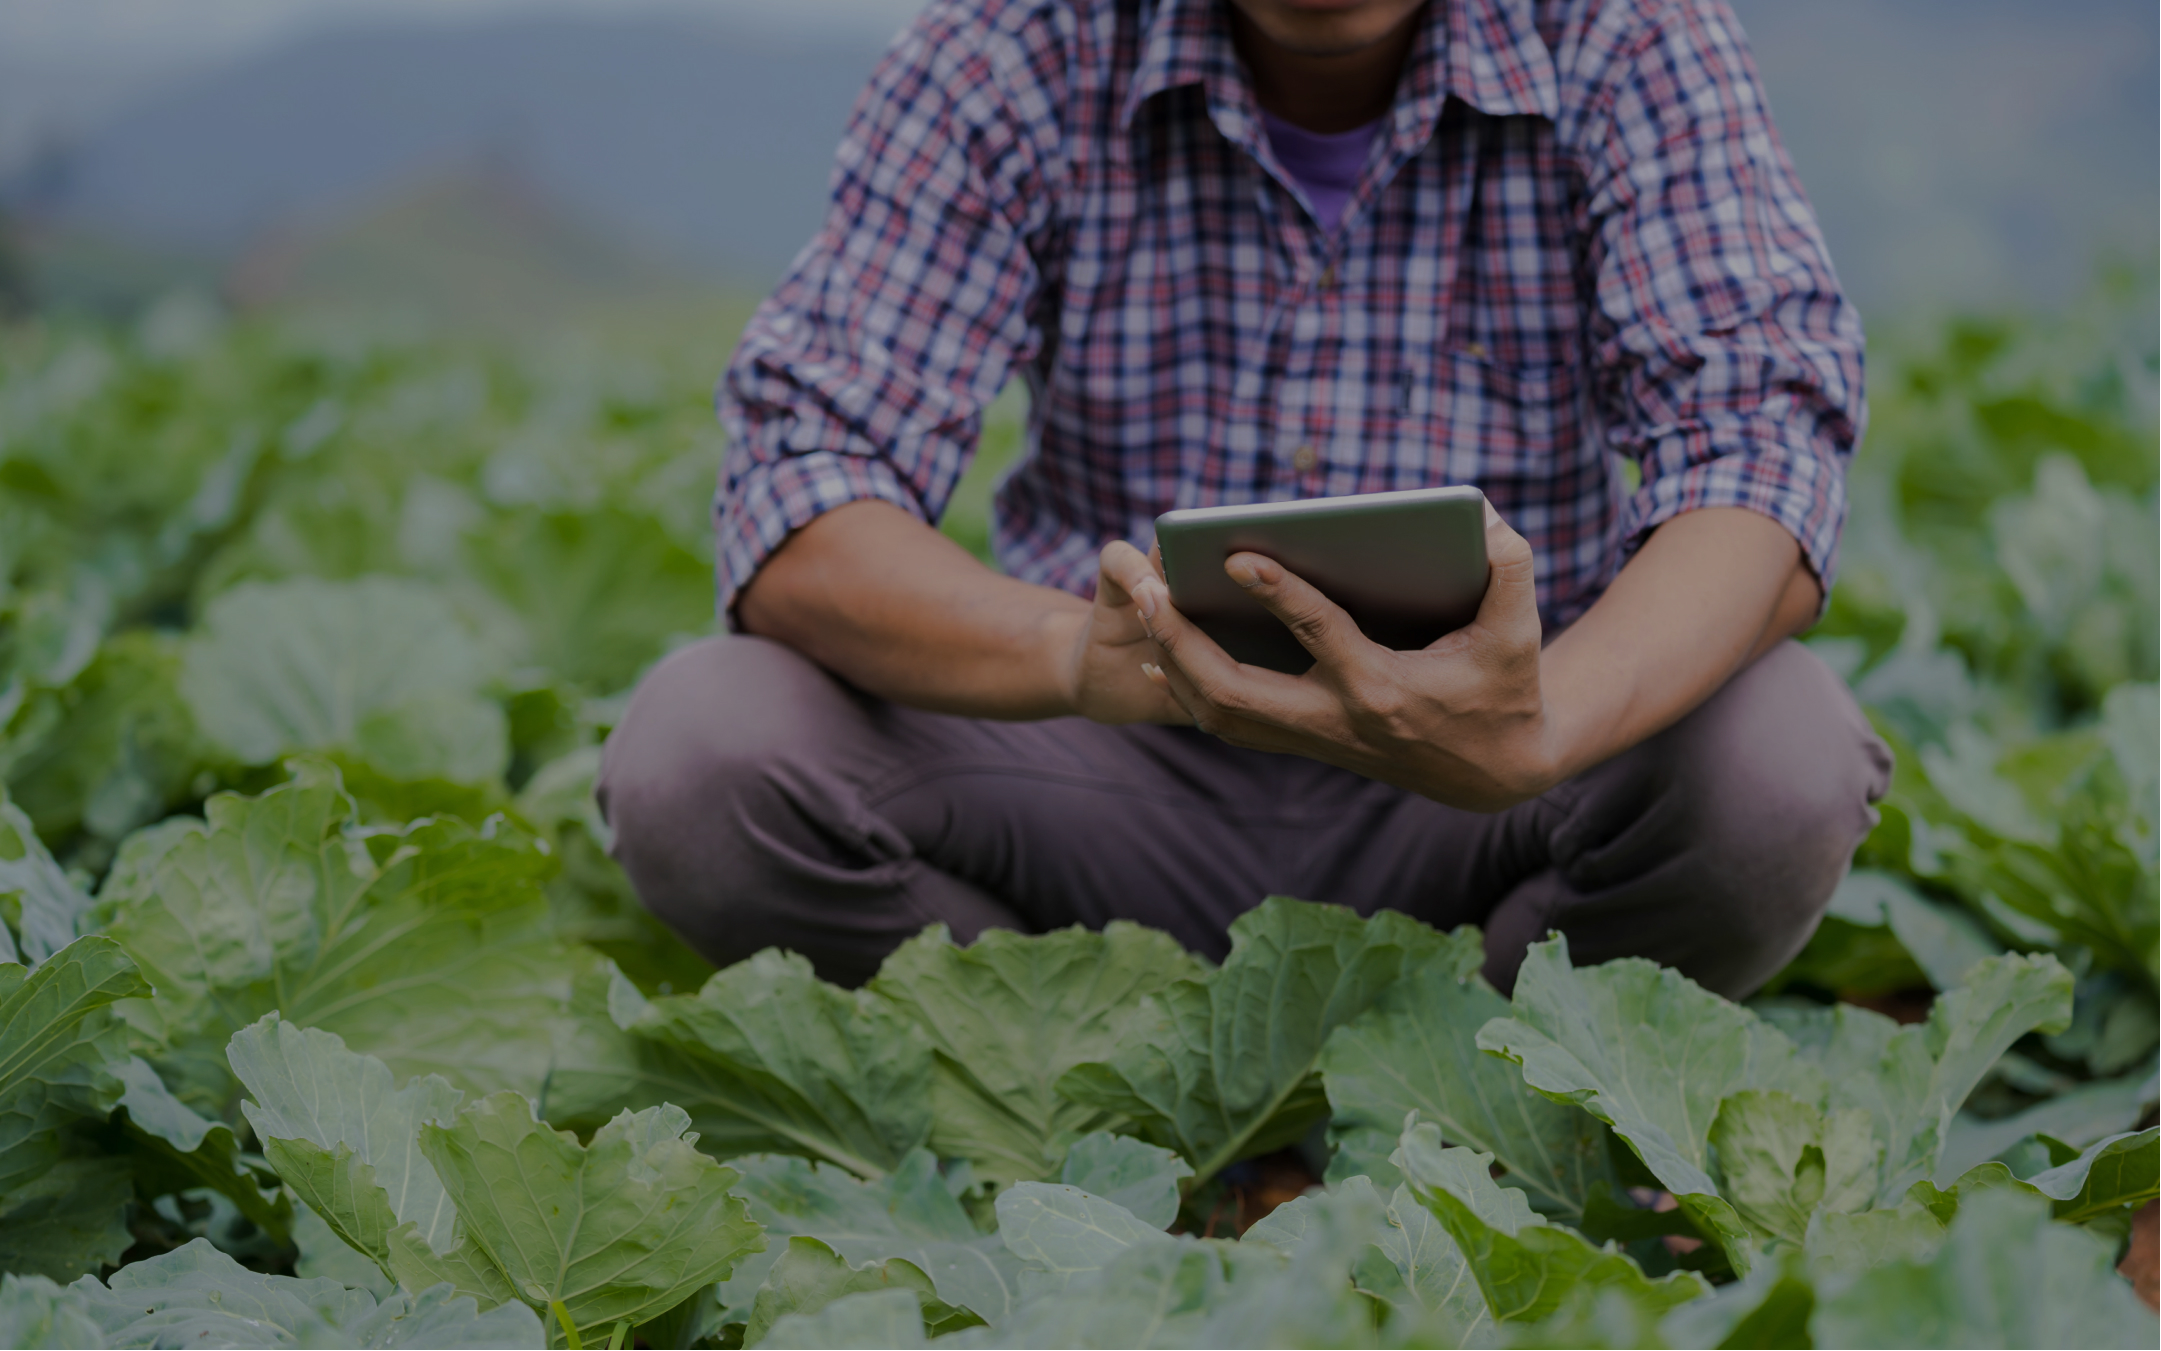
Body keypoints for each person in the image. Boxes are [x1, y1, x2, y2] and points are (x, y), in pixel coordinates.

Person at [598, 0, 1893, 998]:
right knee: (704, 747)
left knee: (1774, 765)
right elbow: (803, 480)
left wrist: (1550, 721)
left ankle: (1480, 1092)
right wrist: (1070, 651)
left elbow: (1755, 445)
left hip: (1492, 782)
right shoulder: (1013, 47)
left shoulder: (1623, 33)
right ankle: (1073, 1079)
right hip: (1098, 775)